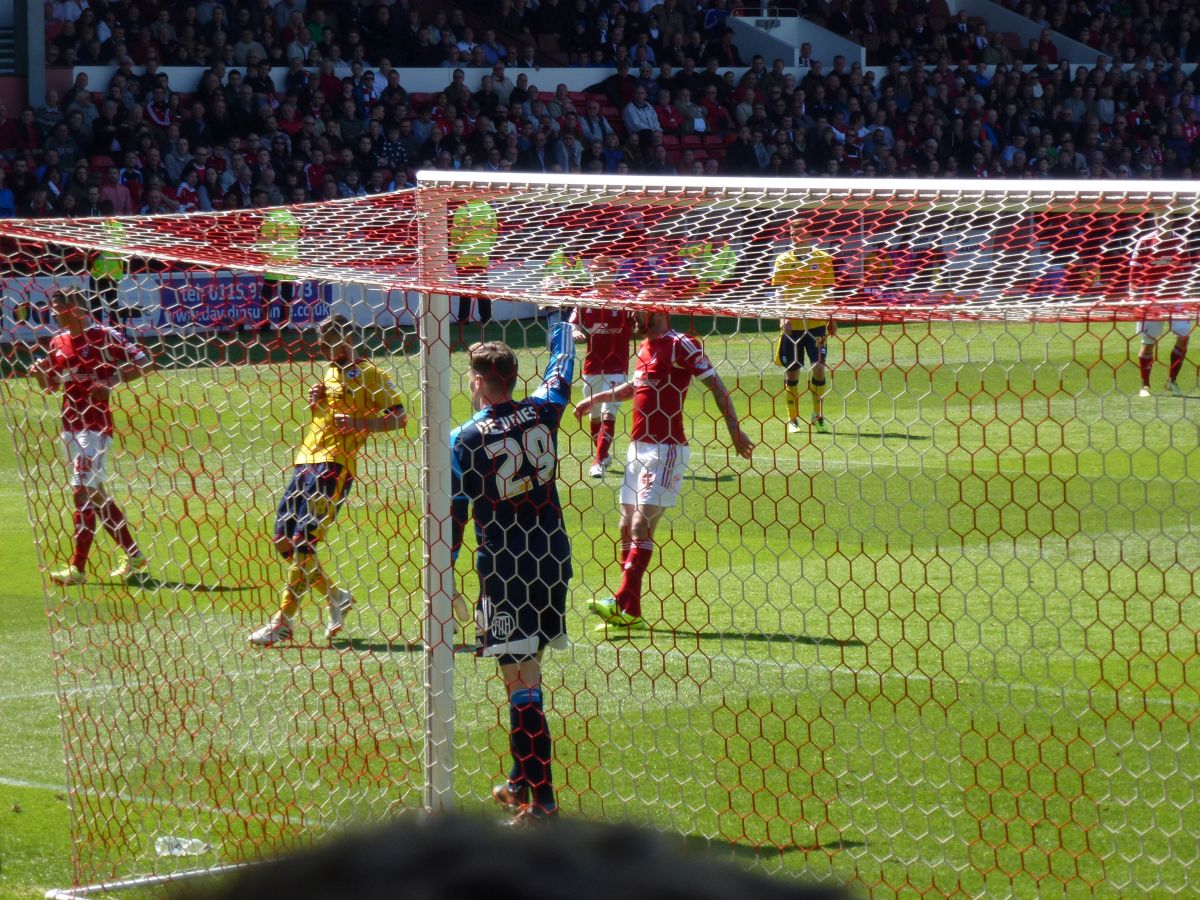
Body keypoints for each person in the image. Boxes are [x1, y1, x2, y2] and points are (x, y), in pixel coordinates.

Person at [451, 324, 576, 825]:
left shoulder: (466, 437)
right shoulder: (545, 407)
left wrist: (442, 573)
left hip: (505, 568)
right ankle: (522, 777)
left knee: (518, 680)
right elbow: (561, 368)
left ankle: (542, 803)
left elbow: (457, 513)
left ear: (481, 381)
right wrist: (561, 323)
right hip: (553, 557)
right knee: (529, 673)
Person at [577, 304, 754, 630]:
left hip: (667, 449)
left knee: (641, 524)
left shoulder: (680, 343)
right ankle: (631, 612)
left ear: (655, 311)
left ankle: (618, 601)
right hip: (637, 448)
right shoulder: (643, 347)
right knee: (625, 527)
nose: (630, 317)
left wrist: (734, 430)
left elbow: (716, 385)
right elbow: (635, 388)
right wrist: (596, 399)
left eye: (636, 311)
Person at [249, 316, 408, 647]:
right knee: (283, 541)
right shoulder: (330, 372)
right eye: (320, 343)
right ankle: (335, 596)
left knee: (304, 541)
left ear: (348, 337)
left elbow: (399, 417)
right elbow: (328, 415)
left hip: (335, 466)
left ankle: (283, 621)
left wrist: (358, 422)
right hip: (306, 460)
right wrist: (317, 402)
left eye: (328, 342)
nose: (322, 349)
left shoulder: (372, 374)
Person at [30, 289, 154, 585]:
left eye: (60, 308)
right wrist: (38, 374)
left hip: (95, 427)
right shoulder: (57, 341)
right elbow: (52, 386)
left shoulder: (105, 335)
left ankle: (78, 568)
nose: (55, 313)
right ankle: (134, 554)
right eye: (53, 309)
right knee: (96, 495)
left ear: (77, 310)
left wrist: (112, 381)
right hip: (70, 426)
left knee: (80, 491)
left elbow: (145, 363)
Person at [568, 259, 635, 479]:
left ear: (614, 272)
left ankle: (598, 462)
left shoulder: (625, 300)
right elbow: (572, 323)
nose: (595, 276)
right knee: (593, 414)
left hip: (617, 366)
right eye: (593, 272)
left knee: (609, 411)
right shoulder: (584, 300)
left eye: (601, 272)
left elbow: (639, 322)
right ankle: (603, 454)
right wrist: (574, 331)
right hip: (592, 366)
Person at [772, 218, 837, 434]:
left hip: (817, 324)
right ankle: (792, 419)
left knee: (818, 366)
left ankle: (817, 415)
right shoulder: (782, 260)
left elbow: (829, 290)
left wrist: (832, 317)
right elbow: (779, 292)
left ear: (809, 235)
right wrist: (783, 316)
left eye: (798, 231)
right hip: (794, 326)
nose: (793, 236)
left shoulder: (824, 259)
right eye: (791, 232)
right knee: (793, 372)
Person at [1131, 228, 1191, 397]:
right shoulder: (1144, 241)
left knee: (1184, 336)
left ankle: (1172, 382)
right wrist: (1132, 294)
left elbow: (1186, 270)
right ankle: (1145, 386)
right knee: (1148, 342)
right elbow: (1134, 270)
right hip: (1151, 298)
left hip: (1175, 297)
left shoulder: (1181, 241)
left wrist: (1187, 292)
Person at [451, 197, 498, 333]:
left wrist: (454, 250)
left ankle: (463, 318)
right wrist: (488, 248)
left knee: (465, 289)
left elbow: (456, 233)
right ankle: (486, 318)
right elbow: (494, 231)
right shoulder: (489, 209)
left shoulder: (462, 209)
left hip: (465, 254)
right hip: (482, 254)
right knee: (482, 288)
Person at [256, 207, 302, 331]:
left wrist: (262, 254)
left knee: (267, 294)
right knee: (287, 294)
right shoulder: (293, 218)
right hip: (289, 261)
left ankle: (265, 324)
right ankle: (284, 323)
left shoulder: (270, 218)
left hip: (274, 261)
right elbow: (297, 238)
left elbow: (264, 241)